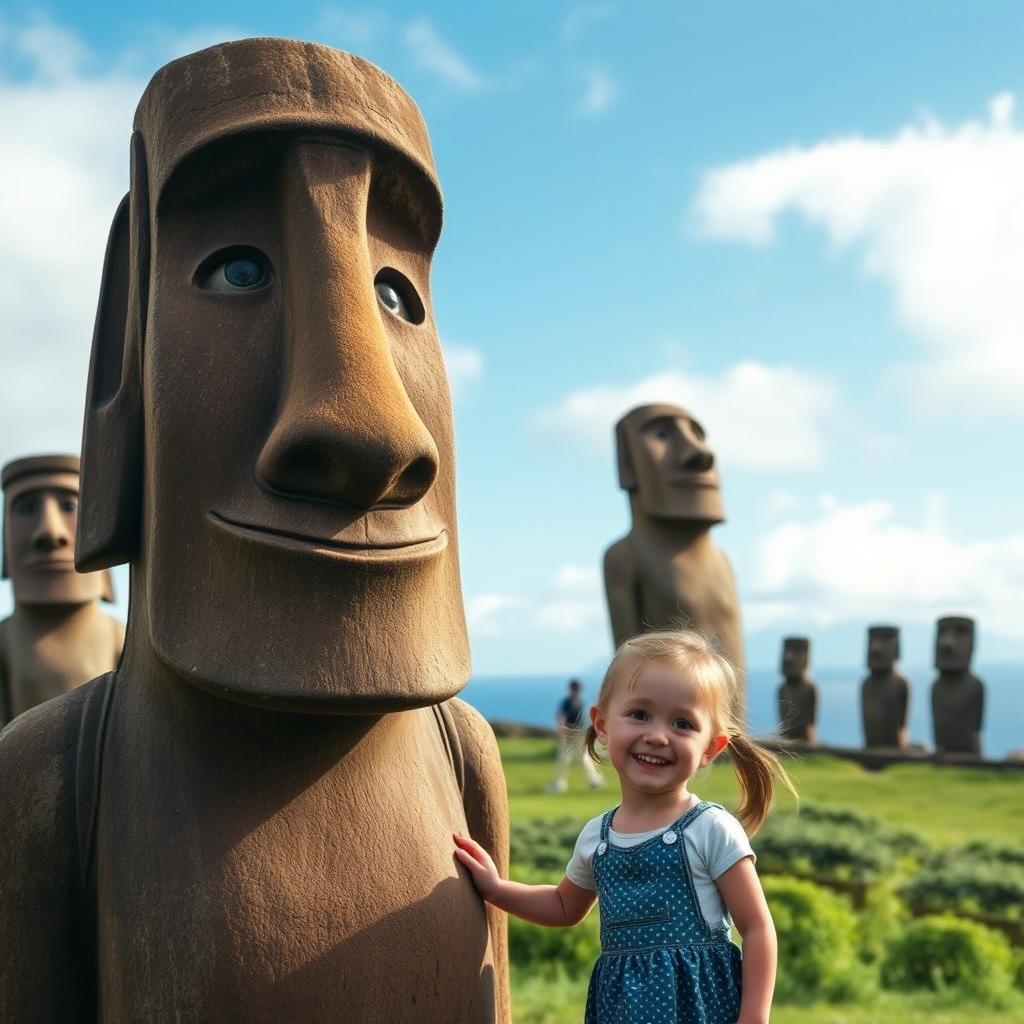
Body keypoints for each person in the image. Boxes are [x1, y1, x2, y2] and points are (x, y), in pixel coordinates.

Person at [455, 629, 795, 1024]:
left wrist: (754, 1016)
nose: (656, 736)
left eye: (682, 723)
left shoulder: (710, 829)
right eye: (639, 715)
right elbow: (565, 906)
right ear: (601, 724)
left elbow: (757, 927)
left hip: (701, 1008)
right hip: (621, 1009)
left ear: (710, 748)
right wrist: (497, 889)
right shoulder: (596, 838)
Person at [547, 678, 604, 792]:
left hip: (572, 732)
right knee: (583, 757)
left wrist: (561, 728)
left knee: (564, 757)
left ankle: (560, 784)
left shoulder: (569, 701)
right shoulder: (580, 701)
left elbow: (560, 716)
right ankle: (595, 781)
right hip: (580, 732)